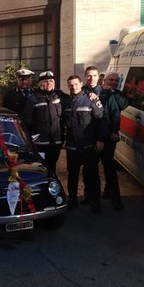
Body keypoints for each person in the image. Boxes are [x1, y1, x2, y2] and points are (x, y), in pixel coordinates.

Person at [63, 75, 107, 214]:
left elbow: (102, 120)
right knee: (72, 175)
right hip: (72, 146)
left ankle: (95, 201)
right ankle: (73, 200)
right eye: (70, 84)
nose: (73, 87)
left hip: (89, 145)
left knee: (92, 175)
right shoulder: (65, 102)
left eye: (76, 84)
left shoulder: (91, 99)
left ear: (81, 84)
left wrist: (101, 139)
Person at [23, 71, 66, 174]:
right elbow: (26, 121)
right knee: (40, 168)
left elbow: (75, 98)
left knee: (52, 167)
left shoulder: (60, 96)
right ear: (39, 83)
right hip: (40, 142)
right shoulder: (32, 99)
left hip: (56, 141)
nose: (48, 84)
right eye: (45, 81)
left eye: (51, 81)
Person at [99, 71, 129, 211]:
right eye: (111, 79)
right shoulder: (98, 91)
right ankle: (97, 194)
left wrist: (112, 92)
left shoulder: (118, 93)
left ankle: (115, 197)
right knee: (92, 168)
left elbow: (121, 107)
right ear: (104, 80)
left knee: (109, 167)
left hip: (110, 136)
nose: (113, 82)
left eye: (116, 81)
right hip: (96, 136)